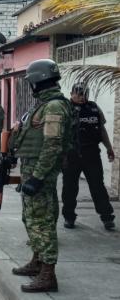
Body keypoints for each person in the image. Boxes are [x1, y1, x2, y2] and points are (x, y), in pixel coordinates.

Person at [11, 59, 72, 293]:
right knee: (32, 218)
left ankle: (48, 275)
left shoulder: (54, 107)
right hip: (34, 170)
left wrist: (37, 177)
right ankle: (37, 262)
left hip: (41, 174)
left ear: (38, 80)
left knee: (42, 222)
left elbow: (52, 145)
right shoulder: (44, 105)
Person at [62, 83, 115, 230]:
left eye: (84, 94)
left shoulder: (94, 108)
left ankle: (107, 217)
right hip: (71, 154)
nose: (81, 97)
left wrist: (109, 148)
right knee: (70, 188)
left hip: (91, 153)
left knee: (98, 186)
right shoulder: (65, 108)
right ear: (72, 93)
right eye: (78, 93)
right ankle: (69, 217)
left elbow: (102, 130)